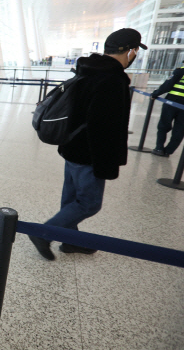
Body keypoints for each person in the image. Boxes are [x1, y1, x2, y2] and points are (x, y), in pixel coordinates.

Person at [29, 28, 146, 261]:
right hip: (89, 154)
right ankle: (43, 233)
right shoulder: (113, 79)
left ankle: (70, 241)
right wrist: (106, 164)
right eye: (135, 51)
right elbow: (104, 127)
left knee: (71, 200)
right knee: (89, 203)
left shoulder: (89, 70)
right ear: (131, 51)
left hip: (72, 147)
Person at [151, 61, 184, 157]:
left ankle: (159, 148)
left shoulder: (180, 71)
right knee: (180, 129)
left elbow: (167, 85)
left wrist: (155, 94)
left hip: (172, 102)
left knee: (163, 125)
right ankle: (168, 151)